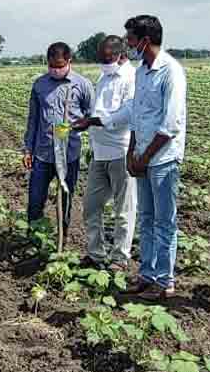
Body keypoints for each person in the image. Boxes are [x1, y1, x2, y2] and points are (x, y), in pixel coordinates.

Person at [122, 15, 187, 300]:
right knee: (146, 219)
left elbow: (170, 124)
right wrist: (131, 151)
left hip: (162, 160)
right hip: (142, 157)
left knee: (164, 221)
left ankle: (165, 281)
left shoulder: (171, 71)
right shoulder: (140, 71)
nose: (128, 44)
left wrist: (145, 157)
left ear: (145, 41)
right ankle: (146, 275)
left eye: (131, 39)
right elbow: (137, 115)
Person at [72, 35, 137, 272]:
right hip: (99, 152)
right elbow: (98, 111)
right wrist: (88, 122)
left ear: (120, 55)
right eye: (101, 58)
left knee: (123, 210)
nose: (104, 62)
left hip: (121, 151)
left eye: (108, 58)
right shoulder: (104, 76)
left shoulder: (131, 78)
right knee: (91, 206)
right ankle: (95, 253)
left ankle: (120, 257)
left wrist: (96, 120)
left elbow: (129, 113)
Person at [23, 42, 93, 236]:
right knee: (36, 199)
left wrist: (79, 125)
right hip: (43, 153)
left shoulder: (82, 85)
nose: (55, 70)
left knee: (66, 199)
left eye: (60, 66)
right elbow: (33, 119)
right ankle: (33, 238)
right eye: (52, 66)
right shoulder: (39, 84)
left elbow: (90, 115)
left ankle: (62, 238)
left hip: (69, 154)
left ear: (69, 61)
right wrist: (28, 149)